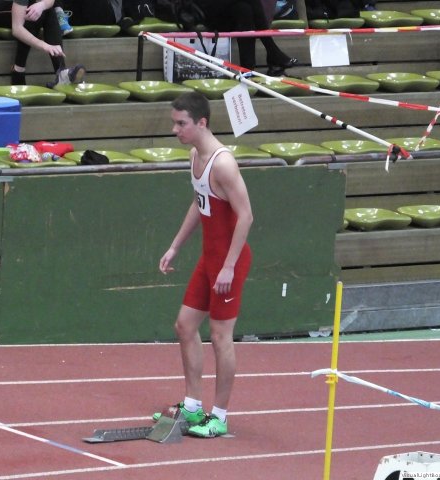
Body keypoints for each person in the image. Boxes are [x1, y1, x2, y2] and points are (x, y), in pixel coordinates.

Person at [157, 91, 254, 438]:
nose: (175, 130)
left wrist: (228, 266)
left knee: (220, 336)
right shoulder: (195, 156)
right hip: (209, 258)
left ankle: (220, 416)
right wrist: (175, 246)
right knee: (185, 326)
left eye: (181, 123)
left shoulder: (223, 163)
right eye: (174, 123)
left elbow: (246, 216)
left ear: (201, 122)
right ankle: (193, 406)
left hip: (229, 261)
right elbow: (199, 203)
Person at [195, 0, 298, 76]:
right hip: (204, 9)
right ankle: (272, 51)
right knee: (247, 6)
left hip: (227, 11)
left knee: (244, 9)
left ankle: (247, 70)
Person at [10, 0, 85, 86]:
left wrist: (42, 5)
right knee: (33, 11)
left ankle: (61, 73)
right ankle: (18, 70)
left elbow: (50, 2)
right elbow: (17, 29)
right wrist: (45, 46)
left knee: (46, 10)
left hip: (29, 11)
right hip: (4, 12)